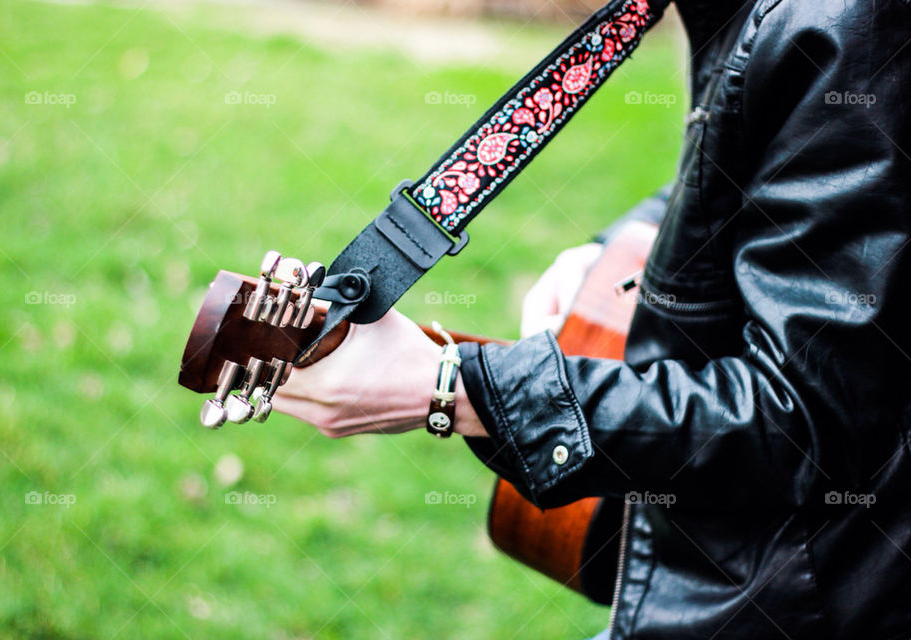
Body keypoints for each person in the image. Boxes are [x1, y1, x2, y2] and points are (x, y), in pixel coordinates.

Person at [275, 0, 911, 637]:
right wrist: (624, 240)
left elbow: (805, 419)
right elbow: (771, 166)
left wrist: (452, 389)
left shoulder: (851, 24)